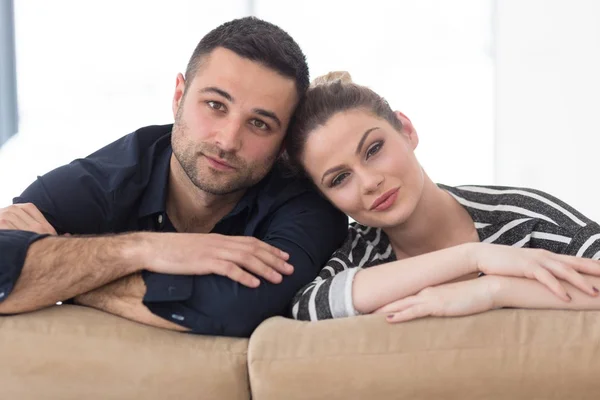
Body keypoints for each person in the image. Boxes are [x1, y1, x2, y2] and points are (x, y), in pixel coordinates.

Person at [0, 18, 348, 337]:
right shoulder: (113, 176)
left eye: (259, 124)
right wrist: (142, 249)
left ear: (284, 141)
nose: (227, 141)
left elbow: (239, 309)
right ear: (179, 96)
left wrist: (70, 273)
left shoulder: (308, 204)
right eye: (215, 105)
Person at [286, 71, 600, 323]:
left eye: (374, 149)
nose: (369, 182)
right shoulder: (363, 252)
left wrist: (493, 291)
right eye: (340, 179)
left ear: (406, 130)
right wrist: (472, 257)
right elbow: (307, 306)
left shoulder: (522, 217)